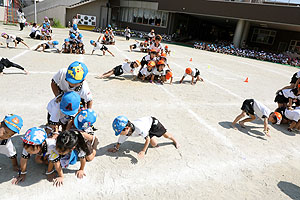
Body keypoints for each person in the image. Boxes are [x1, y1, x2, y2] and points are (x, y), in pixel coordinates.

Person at [108, 115, 179, 159]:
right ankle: (151, 136)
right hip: (146, 129)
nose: (120, 134)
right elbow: (121, 139)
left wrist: (143, 151)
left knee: (166, 135)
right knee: (154, 144)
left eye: (120, 132)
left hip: (153, 124)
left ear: (127, 128)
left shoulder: (139, 128)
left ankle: (175, 141)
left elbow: (147, 139)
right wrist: (116, 148)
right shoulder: (126, 131)